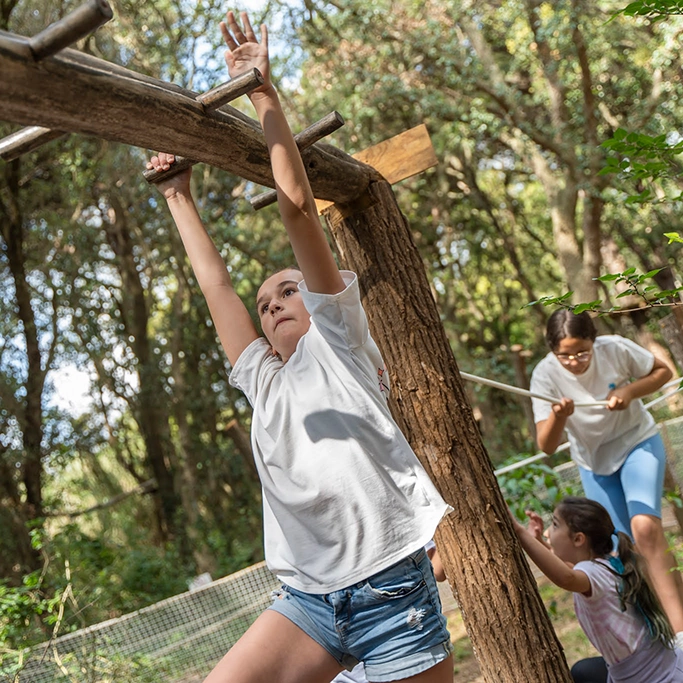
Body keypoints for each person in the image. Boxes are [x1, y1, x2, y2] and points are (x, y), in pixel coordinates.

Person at [147, 10, 452, 683]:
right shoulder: (262, 378)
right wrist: (176, 195)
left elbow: (294, 210)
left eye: (287, 291)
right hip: (310, 600)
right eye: (266, 306)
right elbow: (216, 286)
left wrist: (263, 95)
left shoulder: (337, 343)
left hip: (390, 589)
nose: (273, 304)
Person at [529, 309, 683, 636]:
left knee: (645, 530)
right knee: (619, 547)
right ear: (552, 350)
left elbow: (662, 372)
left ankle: (680, 629)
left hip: (636, 443)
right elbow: (546, 444)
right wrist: (559, 415)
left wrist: (629, 392)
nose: (575, 361)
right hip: (595, 463)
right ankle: (657, 630)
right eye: (565, 355)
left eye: (582, 351)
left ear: (593, 341)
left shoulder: (613, 348)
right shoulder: (545, 375)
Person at [511, 497, 683, 682]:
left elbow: (565, 576)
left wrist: (519, 531)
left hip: (656, 677)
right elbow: (566, 567)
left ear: (578, 539)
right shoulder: (606, 564)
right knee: (581, 671)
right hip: (654, 667)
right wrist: (536, 540)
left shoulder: (590, 573)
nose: (547, 532)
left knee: (582, 672)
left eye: (554, 525)